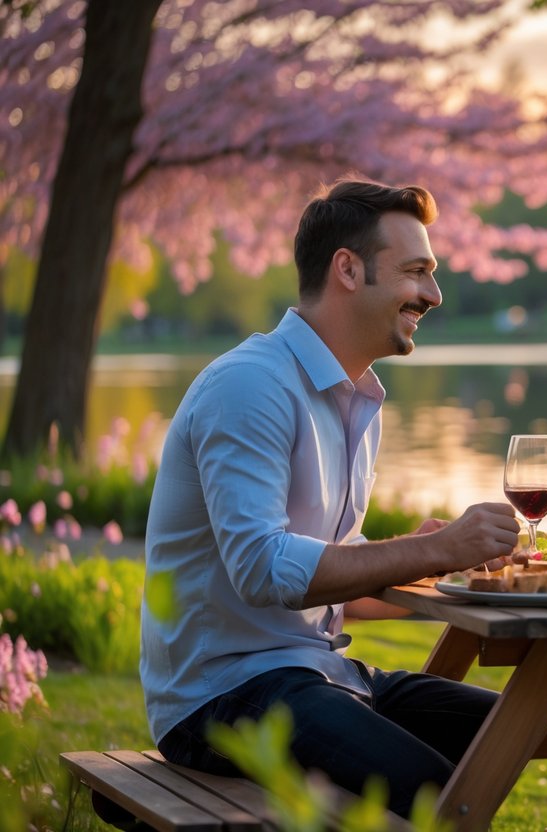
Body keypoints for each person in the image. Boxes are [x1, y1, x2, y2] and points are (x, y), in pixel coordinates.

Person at [140, 178, 521, 818]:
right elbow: (265, 571)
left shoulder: (355, 398)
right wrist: (429, 547)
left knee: (513, 734)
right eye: (416, 271)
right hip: (222, 696)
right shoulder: (250, 385)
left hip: (321, 673)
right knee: (440, 794)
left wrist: (436, 562)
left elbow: (329, 573)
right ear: (347, 269)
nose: (433, 294)